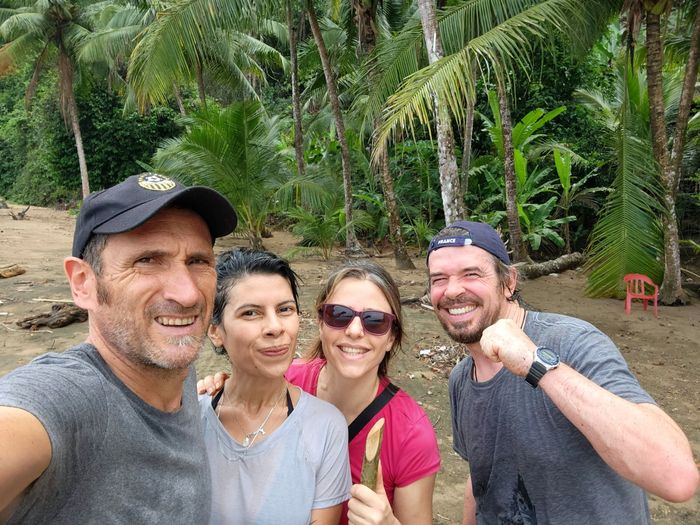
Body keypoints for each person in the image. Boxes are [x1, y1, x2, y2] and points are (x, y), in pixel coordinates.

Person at [0, 172, 237, 524]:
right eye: (147, 260)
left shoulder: (175, 371)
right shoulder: (70, 399)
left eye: (198, 261)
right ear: (83, 283)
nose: (188, 294)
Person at [426, 220, 699, 524]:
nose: (452, 290)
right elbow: (480, 481)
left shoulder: (572, 342)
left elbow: (676, 477)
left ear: (509, 282)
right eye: (439, 279)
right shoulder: (461, 379)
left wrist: (535, 363)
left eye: (471, 274)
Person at [201, 260, 441, 524]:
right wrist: (219, 388)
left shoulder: (410, 432)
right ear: (320, 323)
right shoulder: (285, 377)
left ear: (391, 338)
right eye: (339, 315)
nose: (355, 331)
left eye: (375, 320)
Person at [201, 248, 351, 524]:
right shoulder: (188, 420)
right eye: (250, 313)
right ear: (215, 331)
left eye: (285, 310)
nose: (275, 327)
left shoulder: (325, 428)